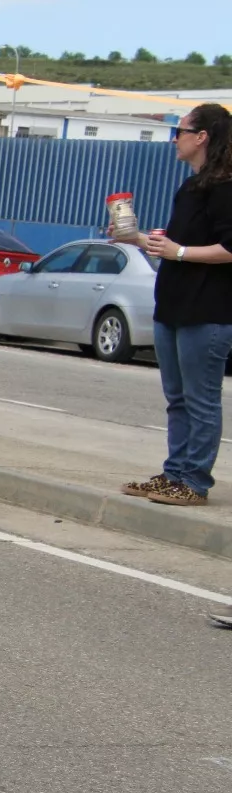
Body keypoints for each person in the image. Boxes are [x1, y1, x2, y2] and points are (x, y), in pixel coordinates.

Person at [114, 105, 232, 513]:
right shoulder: (191, 187)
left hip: (208, 312)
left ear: (202, 137)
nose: (174, 139)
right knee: (177, 398)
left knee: (201, 400)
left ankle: (194, 481)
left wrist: (179, 251)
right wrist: (135, 238)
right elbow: (171, 249)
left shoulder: (225, 187)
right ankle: (175, 472)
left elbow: (227, 248)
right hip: (173, 307)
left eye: (180, 131)